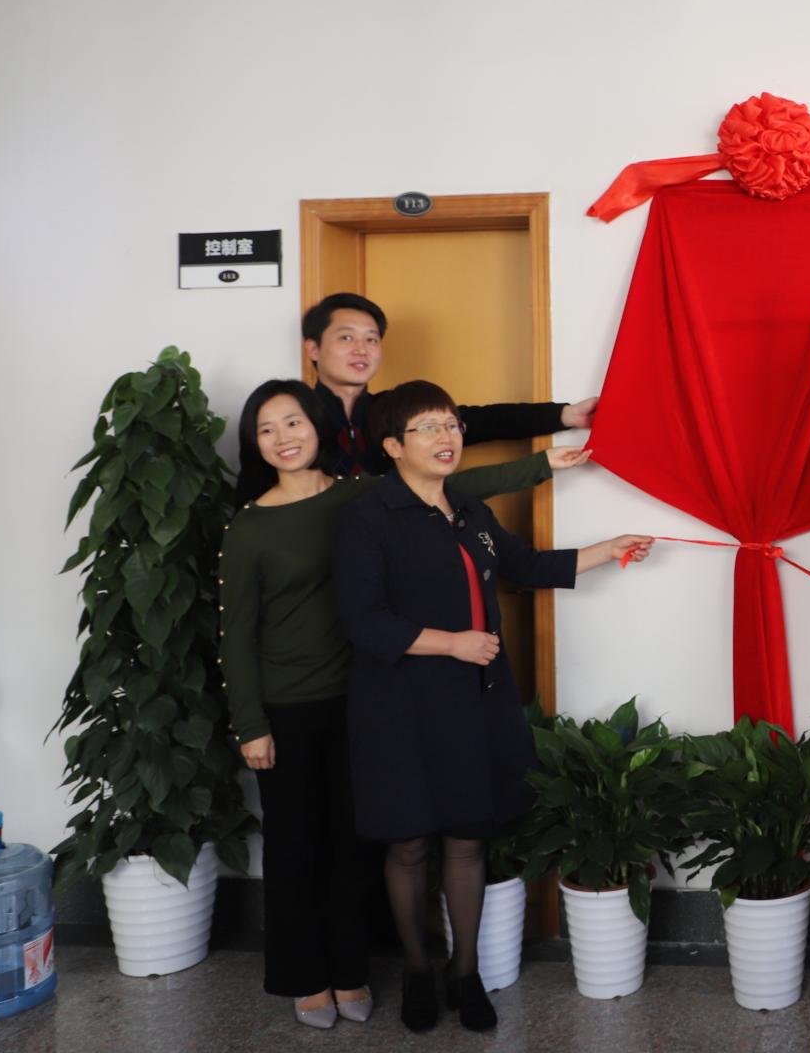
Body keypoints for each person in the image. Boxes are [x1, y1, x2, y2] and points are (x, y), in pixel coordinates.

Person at [220, 380, 583, 1030]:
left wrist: (547, 460)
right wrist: (250, 723)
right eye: (266, 429)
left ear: (319, 427)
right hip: (297, 701)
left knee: (360, 846)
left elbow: (455, 485)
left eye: (294, 422)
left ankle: (358, 971)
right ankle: (313, 979)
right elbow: (238, 633)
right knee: (301, 846)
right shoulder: (253, 525)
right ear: (254, 443)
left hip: (362, 692)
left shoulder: (356, 493)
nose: (284, 437)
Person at [332, 381, 652, 1033]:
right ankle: (417, 969)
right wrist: (452, 642)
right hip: (400, 706)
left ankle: (465, 971)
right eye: (428, 427)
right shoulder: (368, 517)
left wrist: (611, 548)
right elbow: (363, 621)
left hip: (471, 703)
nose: (447, 437)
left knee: (466, 838)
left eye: (452, 425)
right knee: (408, 843)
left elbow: (526, 566)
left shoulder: (469, 509)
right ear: (392, 446)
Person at [301, 292, 597, 477]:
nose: (361, 349)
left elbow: (487, 421)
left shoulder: (394, 408)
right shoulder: (292, 415)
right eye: (346, 337)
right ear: (313, 348)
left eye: (371, 339)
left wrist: (565, 415)